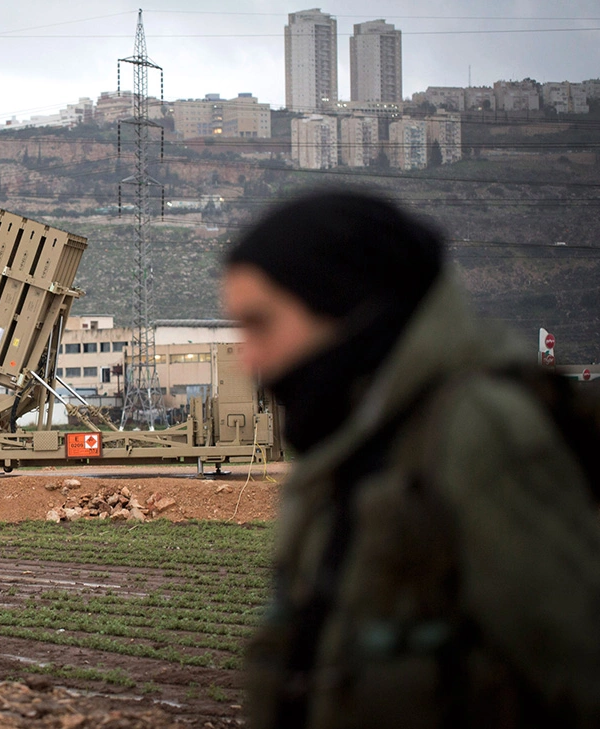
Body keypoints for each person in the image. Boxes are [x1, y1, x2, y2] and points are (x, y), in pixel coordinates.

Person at [221, 189, 600, 728]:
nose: (247, 358)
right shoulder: (349, 441)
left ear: (340, 304)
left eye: (259, 324)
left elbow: (575, 667)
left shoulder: (479, 433)